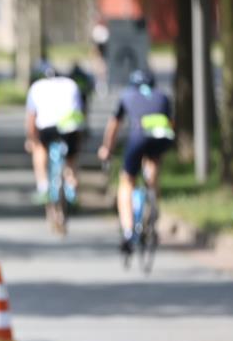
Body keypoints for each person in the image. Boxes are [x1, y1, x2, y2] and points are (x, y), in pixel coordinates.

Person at [98, 69, 174, 253]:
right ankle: (153, 199)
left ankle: (128, 229)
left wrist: (107, 149)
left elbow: (114, 125)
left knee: (127, 181)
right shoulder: (163, 96)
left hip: (138, 137)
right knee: (153, 163)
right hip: (162, 136)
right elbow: (171, 124)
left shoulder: (127, 95)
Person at [24, 62, 85, 204]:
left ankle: (43, 186)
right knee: (71, 158)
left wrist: (31, 139)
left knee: (39, 148)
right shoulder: (71, 84)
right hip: (70, 126)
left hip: (47, 127)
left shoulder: (36, 87)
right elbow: (80, 113)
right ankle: (72, 187)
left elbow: (31, 118)